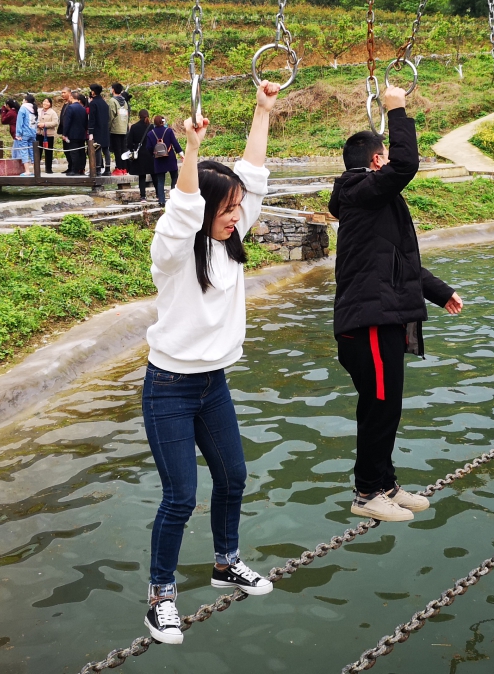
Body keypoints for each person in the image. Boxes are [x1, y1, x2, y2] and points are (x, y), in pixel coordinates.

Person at [140, 80, 281, 645]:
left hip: (212, 386)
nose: (235, 215)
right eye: (226, 209)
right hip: (169, 387)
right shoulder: (173, 252)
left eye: (237, 208)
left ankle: (226, 562)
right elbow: (184, 210)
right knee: (181, 496)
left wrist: (262, 110)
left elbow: (254, 172)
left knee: (235, 476)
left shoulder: (231, 237)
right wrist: (191, 153)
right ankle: (161, 596)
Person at [329, 84, 462, 523]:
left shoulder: (371, 202)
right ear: (376, 160)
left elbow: (401, 263)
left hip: (380, 317)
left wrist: (441, 293)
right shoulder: (361, 191)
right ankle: (367, 492)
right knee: (380, 407)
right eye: (385, 154)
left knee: (386, 406)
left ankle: (384, 484)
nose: (389, 160)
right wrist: (396, 109)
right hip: (369, 321)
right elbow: (408, 164)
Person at [148, 114, 182, 207]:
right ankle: (173, 198)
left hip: (158, 159)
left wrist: (154, 154)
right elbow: (175, 143)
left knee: (160, 180)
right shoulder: (169, 131)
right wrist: (181, 154)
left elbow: (149, 147)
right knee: (174, 177)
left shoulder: (150, 133)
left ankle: (162, 201)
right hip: (170, 157)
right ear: (163, 122)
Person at [60, 88, 89, 176]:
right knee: (81, 152)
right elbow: (85, 122)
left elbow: (67, 122)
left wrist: (64, 134)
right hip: (81, 133)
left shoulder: (70, 108)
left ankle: (74, 170)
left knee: (74, 152)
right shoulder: (83, 108)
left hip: (72, 134)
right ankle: (81, 169)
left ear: (71, 97)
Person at [127, 108, 153, 200]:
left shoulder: (134, 127)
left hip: (140, 154)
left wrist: (132, 149)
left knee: (142, 176)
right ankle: (159, 195)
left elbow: (129, 142)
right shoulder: (151, 127)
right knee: (154, 175)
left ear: (139, 116)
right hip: (151, 154)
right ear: (148, 116)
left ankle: (143, 196)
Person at [88, 84, 111, 176]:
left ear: (93, 92)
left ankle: (97, 169)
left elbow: (92, 119)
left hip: (97, 129)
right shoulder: (104, 103)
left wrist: (91, 132)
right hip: (105, 129)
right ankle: (108, 169)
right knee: (106, 149)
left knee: (97, 148)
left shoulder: (93, 103)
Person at [109, 83, 131, 171]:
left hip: (115, 128)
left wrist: (109, 127)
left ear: (113, 90)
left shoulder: (112, 101)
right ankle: (124, 168)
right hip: (124, 128)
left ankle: (119, 168)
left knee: (117, 150)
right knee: (123, 149)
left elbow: (111, 116)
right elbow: (126, 115)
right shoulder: (124, 101)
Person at [37, 97, 60, 174]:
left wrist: (44, 124)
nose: (45, 103)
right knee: (38, 152)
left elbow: (55, 123)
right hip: (39, 134)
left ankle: (48, 169)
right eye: (44, 101)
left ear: (50, 104)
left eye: (47, 102)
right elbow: (34, 119)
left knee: (48, 152)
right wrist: (37, 124)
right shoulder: (38, 111)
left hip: (48, 135)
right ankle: (37, 169)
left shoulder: (52, 112)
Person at [13, 94, 36, 164]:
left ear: (26, 100)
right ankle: (35, 170)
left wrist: (18, 134)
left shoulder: (23, 108)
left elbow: (19, 122)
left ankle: (27, 171)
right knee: (32, 151)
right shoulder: (34, 109)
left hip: (24, 133)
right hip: (32, 133)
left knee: (24, 151)